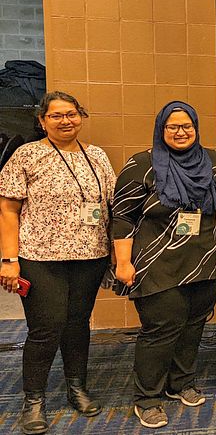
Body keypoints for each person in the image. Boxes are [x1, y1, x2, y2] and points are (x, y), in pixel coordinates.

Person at [112, 101, 216, 429]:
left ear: (196, 128)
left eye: (187, 126)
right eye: (173, 127)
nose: (181, 132)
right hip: (158, 262)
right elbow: (122, 216)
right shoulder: (142, 165)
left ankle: (180, 383)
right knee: (161, 328)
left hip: (207, 259)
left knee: (195, 322)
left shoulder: (214, 162)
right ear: (160, 129)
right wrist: (123, 262)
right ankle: (147, 397)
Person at [0, 91, 116, 435]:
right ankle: (33, 400)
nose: (66, 121)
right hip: (40, 257)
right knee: (46, 328)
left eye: (72, 114)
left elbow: (110, 205)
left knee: (78, 324)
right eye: (57, 115)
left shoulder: (96, 155)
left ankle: (76, 387)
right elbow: (8, 211)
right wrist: (8, 260)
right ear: (42, 120)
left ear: (81, 116)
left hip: (90, 256)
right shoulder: (27, 155)